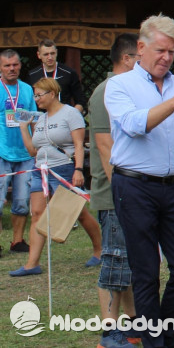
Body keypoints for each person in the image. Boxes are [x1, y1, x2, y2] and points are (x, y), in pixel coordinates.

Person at [105, 14, 174, 348]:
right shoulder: (120, 85)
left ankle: (165, 334)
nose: (167, 58)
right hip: (134, 186)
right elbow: (135, 125)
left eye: (172, 51)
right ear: (141, 48)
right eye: (161, 50)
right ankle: (155, 343)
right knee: (146, 272)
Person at [10, 78, 103, 277]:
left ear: (52, 94)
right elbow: (33, 151)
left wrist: (78, 170)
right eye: (35, 96)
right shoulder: (40, 119)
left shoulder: (70, 114)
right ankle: (32, 264)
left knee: (79, 213)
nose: (36, 99)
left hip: (64, 169)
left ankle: (100, 250)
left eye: (39, 95)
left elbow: (78, 145)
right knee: (37, 214)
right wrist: (23, 128)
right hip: (40, 170)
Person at [88, 33, 139, 348]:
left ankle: (133, 325)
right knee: (114, 263)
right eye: (141, 58)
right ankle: (109, 333)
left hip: (130, 192)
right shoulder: (105, 92)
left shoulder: (128, 90)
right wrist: (122, 195)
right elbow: (106, 147)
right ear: (127, 58)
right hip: (114, 194)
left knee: (127, 264)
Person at [0, 49, 36, 254]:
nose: (11, 69)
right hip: (2, 151)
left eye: (15, 64)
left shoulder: (27, 89)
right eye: (7, 65)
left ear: (20, 65)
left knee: (22, 200)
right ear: (0, 68)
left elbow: (33, 118)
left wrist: (36, 146)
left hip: (25, 154)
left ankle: (17, 241)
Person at [27, 39, 88, 114]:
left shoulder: (69, 73)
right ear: (39, 55)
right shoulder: (32, 75)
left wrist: (71, 115)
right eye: (46, 54)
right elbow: (29, 101)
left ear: (56, 52)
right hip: (42, 117)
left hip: (64, 117)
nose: (50, 57)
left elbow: (81, 100)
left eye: (52, 53)